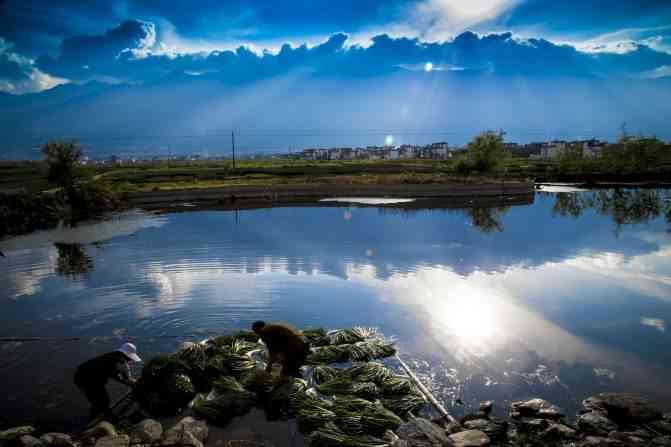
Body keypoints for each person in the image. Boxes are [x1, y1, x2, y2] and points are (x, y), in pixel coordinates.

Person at [74, 342, 141, 418]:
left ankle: (98, 415)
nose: (130, 361)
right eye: (129, 359)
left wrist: (132, 382)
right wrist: (133, 384)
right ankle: (95, 419)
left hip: (91, 376)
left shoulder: (117, 358)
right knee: (102, 400)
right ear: (124, 355)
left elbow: (126, 377)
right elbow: (120, 378)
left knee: (101, 400)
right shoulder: (112, 362)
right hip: (84, 378)